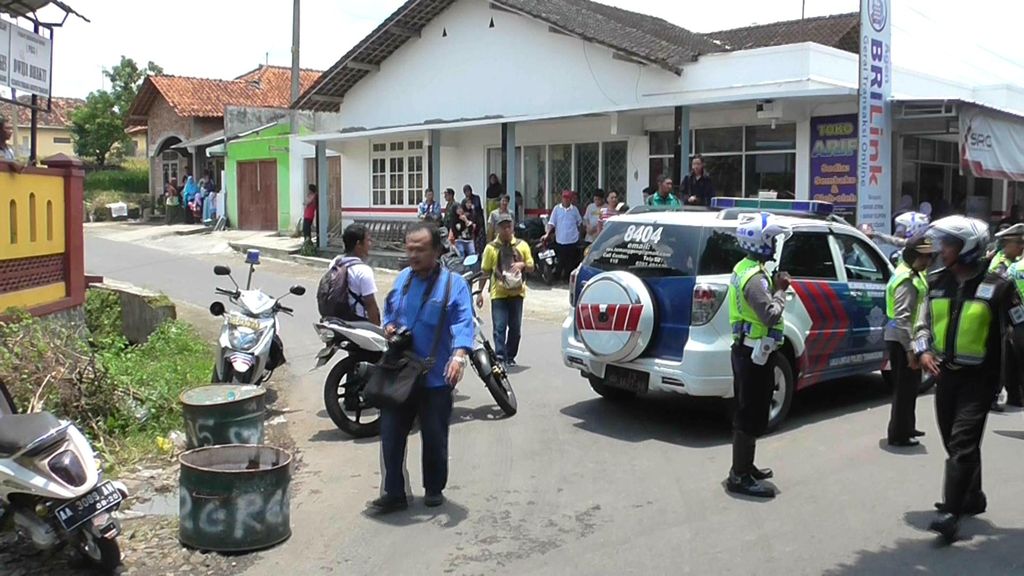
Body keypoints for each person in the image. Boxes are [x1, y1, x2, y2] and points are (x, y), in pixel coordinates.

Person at [914, 216, 1024, 543]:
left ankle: (951, 512)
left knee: (962, 443)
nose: (941, 249)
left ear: (968, 247)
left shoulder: (1001, 287)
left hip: (982, 379)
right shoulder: (936, 282)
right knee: (954, 440)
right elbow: (921, 325)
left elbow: (1020, 329)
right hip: (945, 376)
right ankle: (973, 496)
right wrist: (922, 352)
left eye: (949, 243)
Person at [373, 223, 475, 512]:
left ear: (436, 251)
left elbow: (462, 322)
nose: (414, 255)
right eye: (410, 249)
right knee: (391, 434)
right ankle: (394, 492)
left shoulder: (454, 284)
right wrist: (389, 326)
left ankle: (433, 488)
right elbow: (390, 310)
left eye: (421, 250)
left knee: (434, 436)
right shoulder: (403, 278)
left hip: (435, 376)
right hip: (402, 375)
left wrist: (458, 356)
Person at [725, 212, 793, 499]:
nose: (775, 245)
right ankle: (739, 476)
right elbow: (768, 315)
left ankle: (745, 466)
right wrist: (780, 291)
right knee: (750, 411)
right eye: (773, 239)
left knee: (751, 408)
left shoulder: (745, 267)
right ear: (761, 242)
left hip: (750, 351)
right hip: (754, 354)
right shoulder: (755, 279)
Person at [884, 233, 935, 447]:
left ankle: (908, 426)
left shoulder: (913, 273)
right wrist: (910, 350)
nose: (927, 261)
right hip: (903, 339)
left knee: (912, 386)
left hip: (910, 338)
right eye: (923, 257)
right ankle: (898, 435)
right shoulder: (906, 280)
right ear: (913, 256)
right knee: (904, 388)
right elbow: (902, 318)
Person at [477, 213, 534, 367]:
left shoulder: (522, 245)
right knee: (499, 327)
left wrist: (521, 265)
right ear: (497, 229)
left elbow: (531, 267)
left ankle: (510, 356)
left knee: (515, 329)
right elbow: (485, 271)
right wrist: (480, 293)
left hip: (517, 293)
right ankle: (500, 357)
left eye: (509, 226)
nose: (506, 230)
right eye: (503, 227)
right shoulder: (491, 248)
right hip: (499, 293)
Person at [992, 224, 1024, 408]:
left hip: (1015, 320)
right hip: (1005, 320)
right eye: (1017, 243)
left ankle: (1015, 395)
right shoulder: (1001, 265)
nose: (1021, 246)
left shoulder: (1013, 265)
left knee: (1012, 361)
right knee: (1005, 359)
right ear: (1006, 244)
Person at [326, 223, 381, 324]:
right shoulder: (364, 270)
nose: (370, 244)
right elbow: (370, 305)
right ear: (358, 244)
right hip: (357, 324)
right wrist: (377, 331)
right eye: (368, 240)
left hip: (337, 321)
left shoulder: (335, 262)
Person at [545, 190, 583, 282]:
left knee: (570, 261)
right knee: (560, 260)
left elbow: (580, 223)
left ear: (570, 200)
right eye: (564, 198)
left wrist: (580, 235)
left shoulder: (574, 210)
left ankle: (567, 278)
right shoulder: (557, 209)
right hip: (560, 239)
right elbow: (552, 223)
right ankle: (557, 277)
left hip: (572, 239)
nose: (565, 200)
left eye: (567, 198)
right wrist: (547, 234)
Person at [463, 184, 486, 255]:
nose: (467, 193)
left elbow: (476, 207)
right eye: (465, 192)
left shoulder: (476, 198)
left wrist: (471, 207)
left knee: (480, 242)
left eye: (468, 191)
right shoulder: (464, 200)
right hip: (469, 225)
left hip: (478, 223)